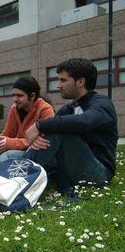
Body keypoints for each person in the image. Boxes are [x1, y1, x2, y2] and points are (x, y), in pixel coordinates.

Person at [24, 58, 118, 195]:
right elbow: (50, 136)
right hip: (68, 168)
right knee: (12, 154)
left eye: (63, 80)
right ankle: (5, 174)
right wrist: (38, 139)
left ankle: (20, 179)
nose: (58, 85)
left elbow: (86, 121)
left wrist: (39, 125)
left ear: (80, 82)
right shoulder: (68, 109)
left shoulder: (102, 104)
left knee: (58, 129)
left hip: (99, 173)